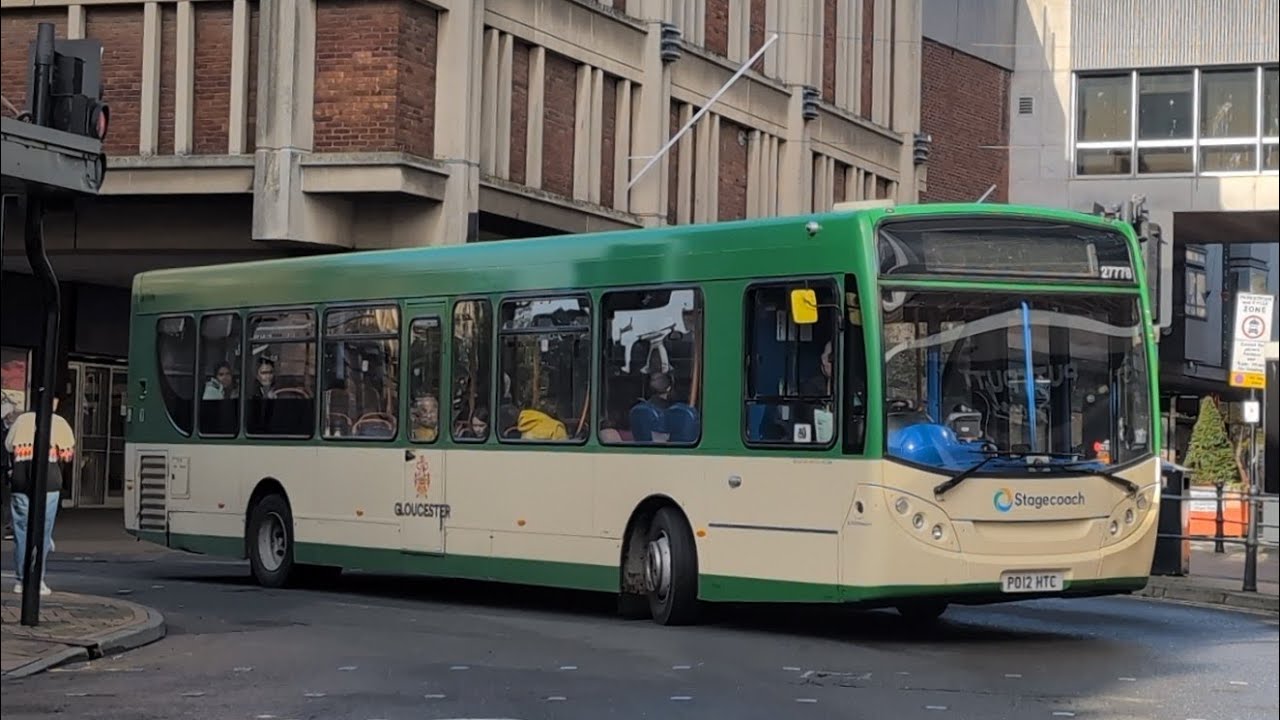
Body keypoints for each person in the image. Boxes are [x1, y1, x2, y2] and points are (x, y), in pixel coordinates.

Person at [4, 396, 76, 596]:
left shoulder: (21, 421)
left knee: (21, 532)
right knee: (41, 534)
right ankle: (37, 579)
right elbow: (68, 454)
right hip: (48, 482)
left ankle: (20, 579)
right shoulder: (59, 423)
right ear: (52, 403)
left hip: (21, 480)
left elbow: (9, 446)